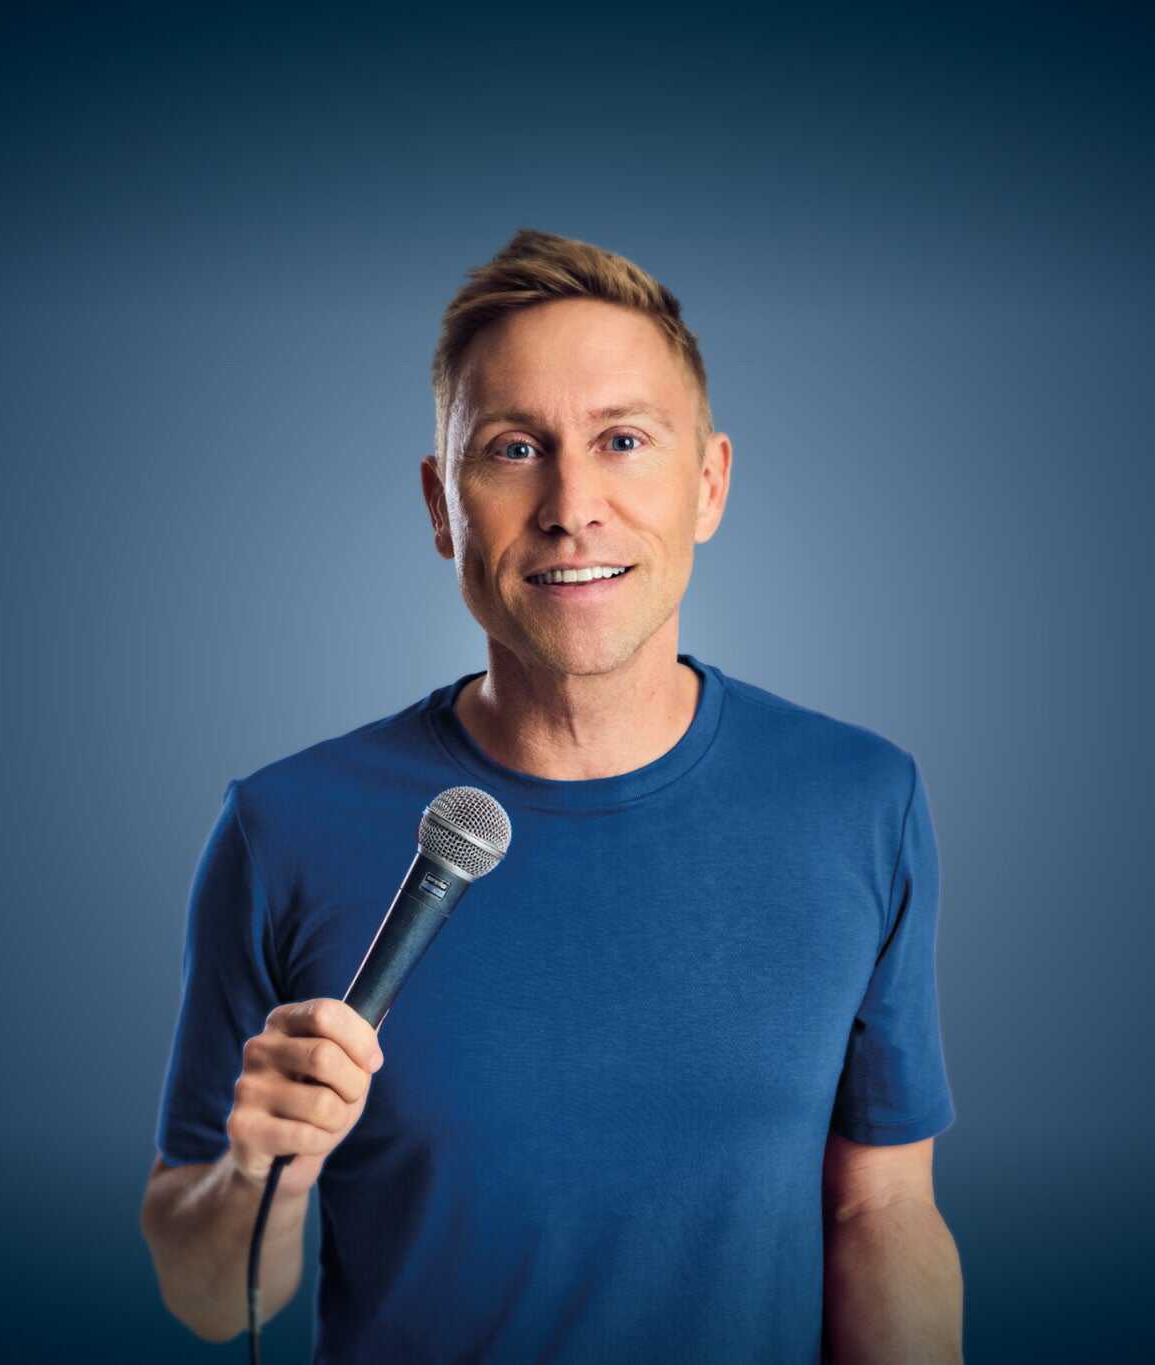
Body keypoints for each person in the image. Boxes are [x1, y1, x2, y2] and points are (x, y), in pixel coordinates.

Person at [139, 228, 962, 1362]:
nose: (573, 504)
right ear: (442, 505)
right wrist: (258, 1179)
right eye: (514, 449)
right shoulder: (284, 829)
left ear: (709, 482)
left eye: (623, 440)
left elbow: (882, 1210)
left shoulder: (859, 802)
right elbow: (203, 1295)